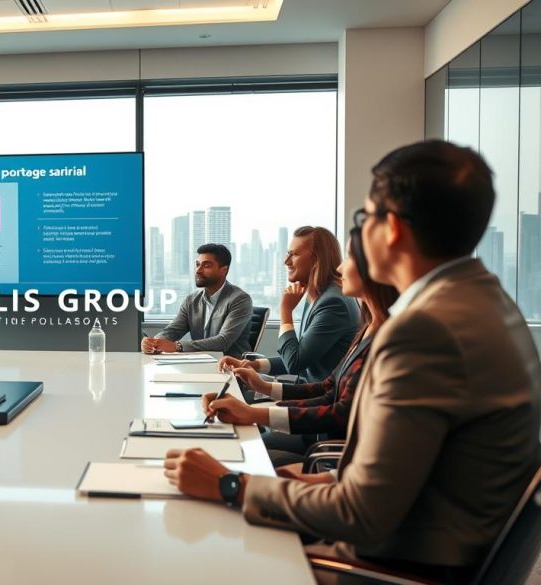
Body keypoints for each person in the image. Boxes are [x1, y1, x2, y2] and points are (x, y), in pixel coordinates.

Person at [164, 140, 541, 582]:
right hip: (423, 538)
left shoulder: (424, 331)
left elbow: (360, 514)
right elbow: (391, 480)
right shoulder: (486, 302)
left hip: (391, 565)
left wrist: (231, 486)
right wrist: (277, 481)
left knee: (199, 552)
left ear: (393, 228)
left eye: (364, 218)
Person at [206, 229, 398, 466]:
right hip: (320, 430)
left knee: (241, 449)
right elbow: (328, 387)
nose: (340, 268)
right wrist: (261, 381)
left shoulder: (339, 305)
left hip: (327, 443)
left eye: (293, 254)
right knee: (239, 441)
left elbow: (298, 364)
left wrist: (285, 312)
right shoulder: (363, 325)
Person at [220, 226, 359, 382]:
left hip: (321, 400)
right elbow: (302, 355)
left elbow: (295, 362)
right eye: (288, 253)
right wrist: (253, 365)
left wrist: (285, 310)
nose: (286, 261)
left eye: (294, 254)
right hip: (307, 393)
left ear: (316, 259)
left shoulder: (333, 303)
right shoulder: (319, 296)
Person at [141, 243, 253, 358]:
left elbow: (223, 342)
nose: (198, 270)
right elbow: (173, 330)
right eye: (197, 264)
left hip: (231, 368)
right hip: (200, 363)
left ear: (223, 270)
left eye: (206, 266)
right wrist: (154, 342)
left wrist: (177, 346)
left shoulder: (240, 299)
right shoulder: (192, 300)